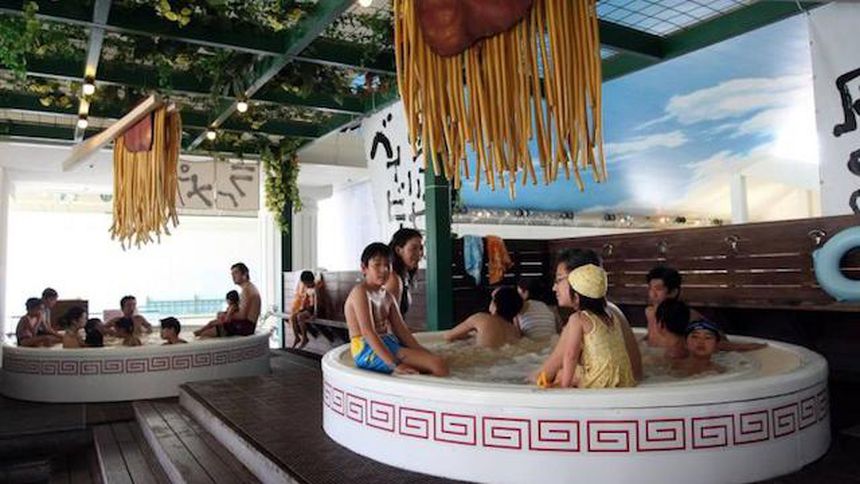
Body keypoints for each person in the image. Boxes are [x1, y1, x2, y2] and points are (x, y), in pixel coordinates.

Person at [531, 249, 643, 383]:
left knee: (559, 376)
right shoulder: (613, 313)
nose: (554, 288)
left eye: (559, 280)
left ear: (580, 279)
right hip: (631, 384)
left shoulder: (580, 320)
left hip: (605, 388)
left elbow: (544, 375)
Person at [345, 242, 447, 376]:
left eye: (387, 265)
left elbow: (402, 331)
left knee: (438, 361)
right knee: (437, 364)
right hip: (366, 349)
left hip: (388, 342)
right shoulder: (360, 293)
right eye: (377, 265)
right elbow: (368, 332)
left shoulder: (387, 296)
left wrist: (422, 351)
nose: (383, 270)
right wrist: (394, 364)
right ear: (364, 268)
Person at [643, 266, 766, 352]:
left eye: (658, 289)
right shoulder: (649, 312)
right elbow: (652, 335)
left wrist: (741, 347)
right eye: (650, 288)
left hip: (678, 359)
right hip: (658, 356)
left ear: (673, 292)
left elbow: (718, 338)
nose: (652, 294)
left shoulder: (686, 315)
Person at [445, 286, 523, 348]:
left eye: (492, 299)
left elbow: (448, 336)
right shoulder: (515, 331)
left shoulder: (481, 318)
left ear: (495, 305)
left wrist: (470, 337)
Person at [197, 263, 261, 337]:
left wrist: (225, 315)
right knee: (211, 326)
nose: (233, 276)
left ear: (245, 274)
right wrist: (226, 314)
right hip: (247, 325)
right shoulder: (249, 287)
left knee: (205, 334)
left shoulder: (247, 290)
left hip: (246, 327)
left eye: (236, 273)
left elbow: (242, 316)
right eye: (232, 274)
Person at [386, 228, 424, 316]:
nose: (420, 253)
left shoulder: (403, 276)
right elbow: (390, 320)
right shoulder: (393, 278)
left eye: (421, 248)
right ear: (399, 250)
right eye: (414, 248)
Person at [289, 271, 318, 348]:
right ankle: (297, 337)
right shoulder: (307, 288)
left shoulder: (316, 288)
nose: (304, 285)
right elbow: (305, 300)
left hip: (314, 310)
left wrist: (315, 314)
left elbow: (316, 303)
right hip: (307, 308)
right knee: (293, 316)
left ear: (309, 281)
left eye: (305, 283)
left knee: (300, 316)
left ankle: (305, 338)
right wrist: (300, 309)